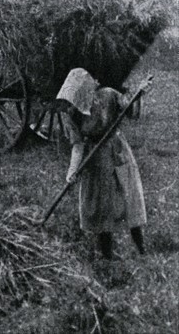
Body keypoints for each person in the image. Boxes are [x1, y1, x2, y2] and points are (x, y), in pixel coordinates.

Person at [56, 68, 151, 259]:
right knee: (100, 205)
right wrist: (72, 171)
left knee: (128, 198)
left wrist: (139, 93)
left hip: (117, 151)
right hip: (95, 159)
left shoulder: (108, 95)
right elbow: (77, 145)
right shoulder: (71, 114)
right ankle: (107, 255)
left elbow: (131, 112)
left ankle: (141, 249)